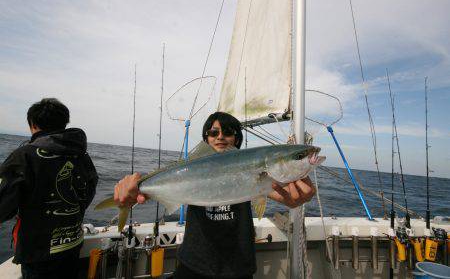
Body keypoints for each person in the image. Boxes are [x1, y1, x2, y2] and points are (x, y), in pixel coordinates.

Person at [114, 112, 315, 279]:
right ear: (206, 139)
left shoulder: (266, 179)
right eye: (213, 132)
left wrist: (295, 199)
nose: (220, 137)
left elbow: (275, 191)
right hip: (192, 264)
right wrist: (135, 189)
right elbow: (169, 187)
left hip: (239, 268)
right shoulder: (190, 170)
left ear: (236, 139)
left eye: (228, 132)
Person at [0, 98, 98, 279]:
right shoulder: (82, 155)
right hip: (72, 243)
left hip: (39, 252)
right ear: (64, 123)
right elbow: (89, 189)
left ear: (33, 125)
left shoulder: (24, 155)